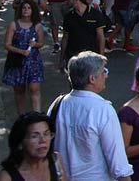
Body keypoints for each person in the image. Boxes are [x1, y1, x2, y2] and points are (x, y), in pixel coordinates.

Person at [49, 51, 133, 181]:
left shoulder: (57, 104)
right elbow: (119, 164)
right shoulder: (103, 110)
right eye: (103, 71)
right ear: (92, 79)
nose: (106, 75)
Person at [0, 111, 67, 181]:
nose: (43, 140)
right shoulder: (6, 178)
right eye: (34, 136)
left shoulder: (56, 161)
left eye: (46, 134)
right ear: (20, 142)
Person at [2, 0, 45, 114]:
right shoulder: (14, 25)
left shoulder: (37, 26)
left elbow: (41, 43)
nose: (26, 10)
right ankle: (22, 117)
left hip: (33, 61)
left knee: (34, 89)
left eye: (29, 8)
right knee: (19, 90)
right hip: (17, 61)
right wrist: (21, 51)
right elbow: (7, 45)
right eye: (24, 8)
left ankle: (37, 115)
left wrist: (35, 44)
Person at [60, 0, 105, 69]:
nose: (67, 1)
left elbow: (100, 37)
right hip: (73, 56)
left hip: (91, 55)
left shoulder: (96, 14)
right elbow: (65, 37)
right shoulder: (68, 16)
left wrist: (101, 57)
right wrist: (62, 58)